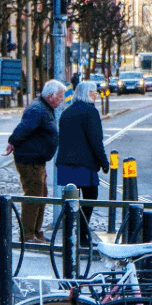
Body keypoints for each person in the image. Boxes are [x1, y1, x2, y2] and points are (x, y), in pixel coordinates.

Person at [5, 79, 62, 241]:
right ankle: (28, 235)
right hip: (29, 160)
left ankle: (36, 231)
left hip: (37, 160)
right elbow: (25, 127)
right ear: (51, 96)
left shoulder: (44, 106)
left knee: (41, 194)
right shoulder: (38, 108)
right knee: (33, 195)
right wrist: (12, 141)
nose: (62, 99)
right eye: (60, 96)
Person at [56, 81, 108, 245]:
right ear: (87, 94)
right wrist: (104, 162)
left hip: (65, 164)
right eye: (94, 92)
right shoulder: (90, 112)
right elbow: (96, 141)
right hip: (84, 165)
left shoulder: (67, 112)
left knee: (71, 201)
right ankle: (83, 235)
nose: (96, 96)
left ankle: (71, 235)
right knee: (90, 198)